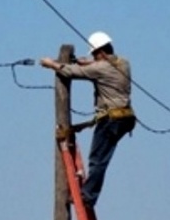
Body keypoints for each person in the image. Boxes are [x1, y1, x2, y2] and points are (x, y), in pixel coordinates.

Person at [41, 31, 136, 208]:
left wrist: (51, 64)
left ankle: (87, 197)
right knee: (102, 158)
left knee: (97, 160)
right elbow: (101, 65)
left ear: (100, 52)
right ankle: (89, 194)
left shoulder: (99, 68)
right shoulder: (124, 63)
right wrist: (87, 62)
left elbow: (69, 72)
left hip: (111, 119)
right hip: (126, 118)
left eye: (94, 54)